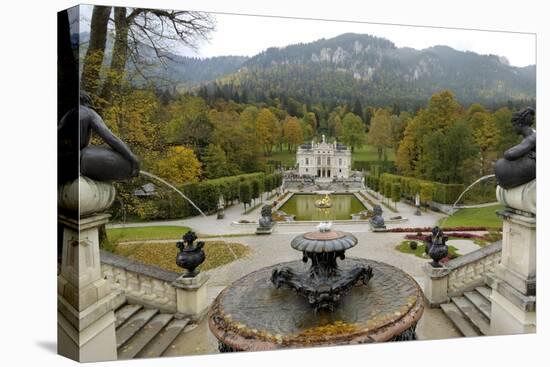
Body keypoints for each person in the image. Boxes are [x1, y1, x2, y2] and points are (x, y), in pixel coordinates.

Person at [58, 92, 140, 183]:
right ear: (85, 101)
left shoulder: (66, 115)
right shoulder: (89, 113)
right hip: (75, 161)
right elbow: (110, 138)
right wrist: (131, 157)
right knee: (125, 162)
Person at [494, 107, 536, 189]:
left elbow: (510, 154)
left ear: (519, 124)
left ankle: (506, 183)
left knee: (500, 164)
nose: (513, 128)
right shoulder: (531, 135)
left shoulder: (532, 137)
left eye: (514, 125)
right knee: (502, 166)